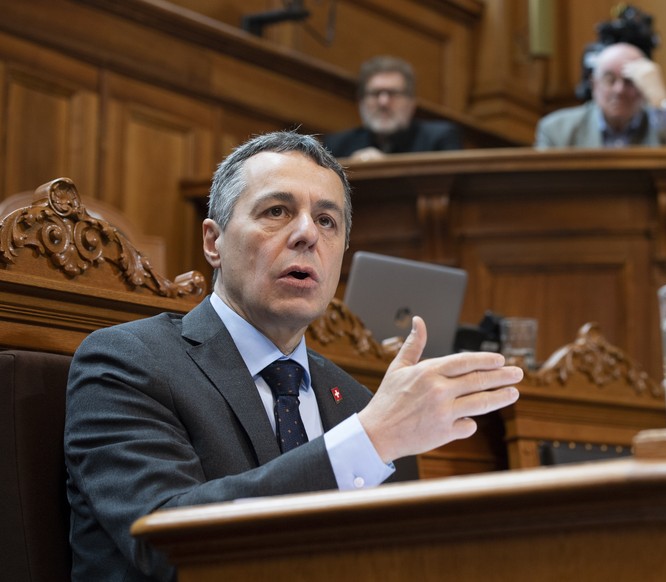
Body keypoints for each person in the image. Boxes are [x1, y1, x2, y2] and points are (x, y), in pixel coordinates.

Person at [64, 130, 521, 581]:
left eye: (327, 221)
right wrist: (369, 440)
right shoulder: (127, 362)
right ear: (213, 241)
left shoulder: (363, 404)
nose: (307, 234)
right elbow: (165, 542)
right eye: (277, 211)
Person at [535, 42, 666, 148]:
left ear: (643, 87)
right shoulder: (556, 130)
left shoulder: (664, 125)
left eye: (630, 81)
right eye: (609, 79)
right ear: (594, 84)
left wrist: (659, 97)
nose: (619, 90)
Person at [322, 56, 463, 160]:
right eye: (375, 93)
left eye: (393, 93)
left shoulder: (439, 139)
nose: (383, 102)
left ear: (411, 102)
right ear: (361, 101)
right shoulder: (337, 145)